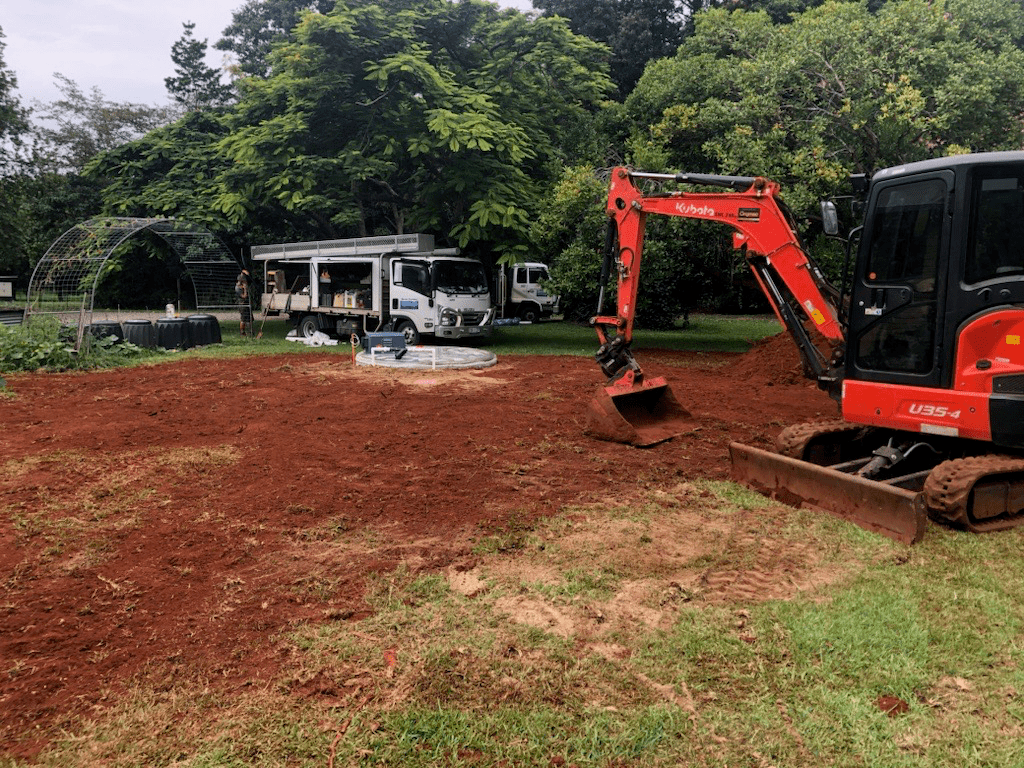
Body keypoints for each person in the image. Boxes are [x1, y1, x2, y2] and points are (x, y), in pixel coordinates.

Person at [236, 269, 253, 336]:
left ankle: (250, 332)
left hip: (247, 304)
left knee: (249, 318)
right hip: (242, 304)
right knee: (243, 319)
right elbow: (244, 296)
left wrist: (245, 272)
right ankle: (242, 332)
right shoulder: (238, 288)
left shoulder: (244, 285)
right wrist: (245, 289)